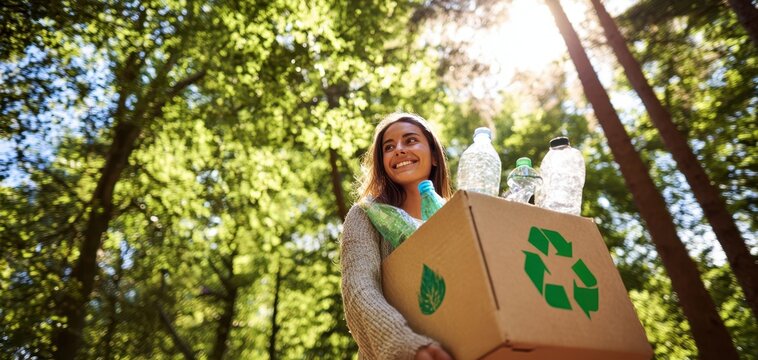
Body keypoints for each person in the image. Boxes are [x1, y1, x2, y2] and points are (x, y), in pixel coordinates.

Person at [340, 112, 454, 360]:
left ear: (434, 155)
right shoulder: (365, 216)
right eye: (388, 147)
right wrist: (407, 347)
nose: (399, 150)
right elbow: (359, 288)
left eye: (410, 140)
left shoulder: (457, 215)